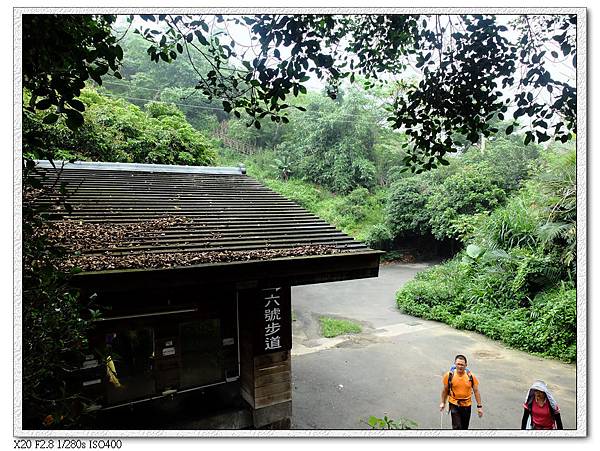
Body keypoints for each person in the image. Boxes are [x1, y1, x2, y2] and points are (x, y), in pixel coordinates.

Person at [439, 354, 483, 429]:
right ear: (455, 364)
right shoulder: (449, 375)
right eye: (458, 364)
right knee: (457, 427)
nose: (460, 366)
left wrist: (479, 407)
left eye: (462, 365)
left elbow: (476, 391)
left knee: (465, 427)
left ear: (466, 365)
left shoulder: (471, 376)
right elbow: (445, 390)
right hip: (454, 403)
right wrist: (443, 402)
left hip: (467, 405)